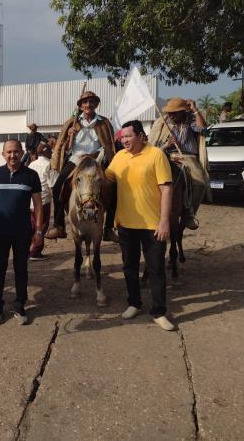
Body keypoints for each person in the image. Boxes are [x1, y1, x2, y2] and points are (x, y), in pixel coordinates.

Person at [105, 120, 175, 331]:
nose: (124, 140)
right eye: (122, 137)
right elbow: (106, 179)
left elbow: (167, 190)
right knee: (129, 267)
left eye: (128, 136)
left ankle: (159, 312)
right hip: (126, 224)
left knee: (156, 270)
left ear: (141, 135)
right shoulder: (119, 157)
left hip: (152, 225)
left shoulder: (156, 155)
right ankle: (134, 303)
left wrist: (164, 221)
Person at [0, 139, 43, 325]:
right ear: (3, 154)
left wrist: (39, 230)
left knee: (21, 269)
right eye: (9, 152)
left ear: (22, 152)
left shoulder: (31, 175)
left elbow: (39, 205)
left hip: (23, 232)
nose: (12, 155)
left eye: (16, 151)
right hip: (0, 232)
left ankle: (19, 305)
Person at [46, 91, 117, 242]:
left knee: (114, 186)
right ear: (80, 106)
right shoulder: (71, 123)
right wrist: (68, 136)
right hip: (77, 159)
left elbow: (109, 143)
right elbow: (63, 147)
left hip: (97, 158)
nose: (88, 105)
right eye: (85, 102)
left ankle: (109, 228)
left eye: (91, 102)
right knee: (58, 186)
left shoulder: (104, 122)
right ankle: (59, 226)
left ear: (96, 104)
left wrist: (103, 155)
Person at [148, 97, 211, 230]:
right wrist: (167, 144)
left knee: (200, 183)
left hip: (188, 158)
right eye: (169, 113)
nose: (171, 116)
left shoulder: (192, 120)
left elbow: (204, 130)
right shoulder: (162, 123)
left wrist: (194, 109)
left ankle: (189, 214)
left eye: (174, 113)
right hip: (167, 156)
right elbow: (153, 146)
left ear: (183, 112)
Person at [28, 141, 57, 260]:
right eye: (51, 151)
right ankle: (34, 252)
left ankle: (28, 249)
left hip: (30, 201)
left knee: (31, 226)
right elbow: (52, 186)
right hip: (43, 201)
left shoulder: (31, 164)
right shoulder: (50, 165)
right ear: (47, 152)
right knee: (41, 226)